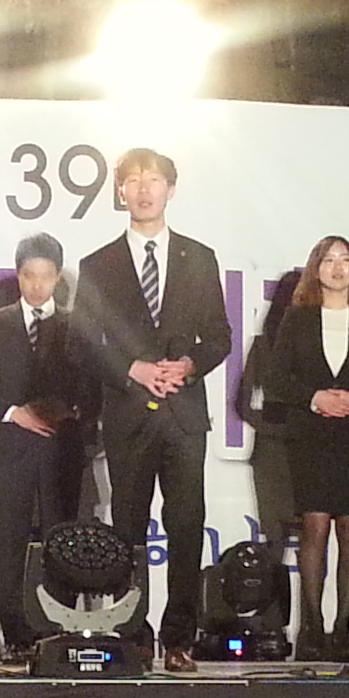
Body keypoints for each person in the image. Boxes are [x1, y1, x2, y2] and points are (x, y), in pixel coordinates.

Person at [70, 147, 233, 669]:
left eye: (154, 180)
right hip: (128, 413)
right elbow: (81, 342)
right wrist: (132, 370)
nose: (144, 190)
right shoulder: (98, 264)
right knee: (128, 526)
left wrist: (188, 365)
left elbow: (221, 336)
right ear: (119, 191)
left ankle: (179, 638)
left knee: (186, 524)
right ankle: (134, 633)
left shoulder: (199, 257)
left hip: (184, 415)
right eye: (133, 181)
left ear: (171, 189)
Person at [0, 233, 91, 656]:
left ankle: (60, 634)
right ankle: (17, 637)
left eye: (46, 276)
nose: (37, 285)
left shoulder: (75, 327)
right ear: (19, 276)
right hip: (9, 456)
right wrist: (13, 412)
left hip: (61, 456)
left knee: (61, 547)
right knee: (8, 550)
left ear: (58, 278)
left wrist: (70, 414)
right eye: (29, 276)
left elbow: (91, 389)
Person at [261, 235, 349, 659]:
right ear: (316, 268)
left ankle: (342, 627)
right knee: (314, 528)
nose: (338, 268)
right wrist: (315, 398)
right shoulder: (297, 319)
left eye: (346, 260)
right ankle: (313, 626)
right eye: (329, 260)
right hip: (310, 435)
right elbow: (274, 380)